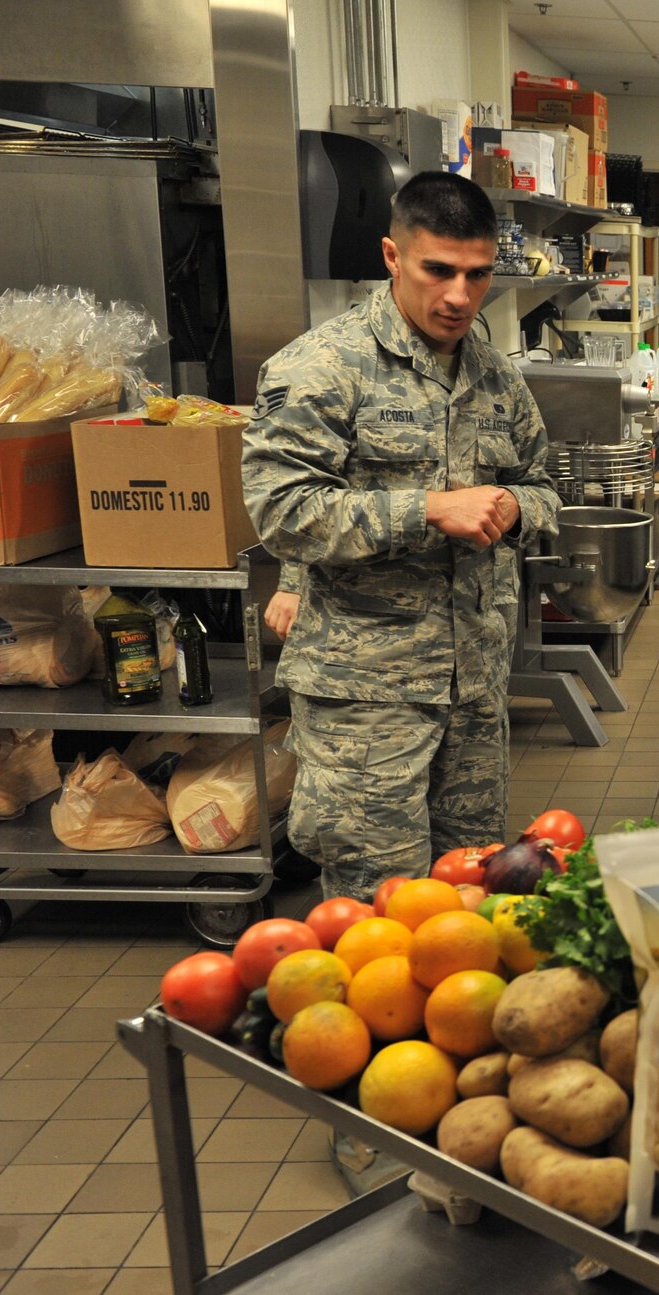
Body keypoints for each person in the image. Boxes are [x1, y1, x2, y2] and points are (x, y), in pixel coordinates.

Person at [242, 171, 560, 901]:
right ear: (392, 256)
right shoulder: (321, 367)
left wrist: (513, 505)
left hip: (474, 691)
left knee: (475, 899)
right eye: (438, 271)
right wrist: (426, 508)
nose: (458, 296)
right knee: (374, 913)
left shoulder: (494, 375)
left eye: (477, 275)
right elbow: (283, 512)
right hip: (366, 702)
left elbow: (545, 488)